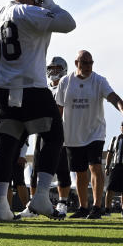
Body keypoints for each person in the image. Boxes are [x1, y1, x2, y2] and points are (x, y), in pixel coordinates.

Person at [0, 0, 76, 221]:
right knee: (55, 134)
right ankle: (41, 196)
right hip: (30, 85)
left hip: (2, 88)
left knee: (6, 143)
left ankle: (2, 206)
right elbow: (68, 22)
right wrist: (48, 1)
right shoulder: (30, 11)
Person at [55, 50, 123, 219]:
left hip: (95, 132)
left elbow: (113, 97)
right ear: (76, 62)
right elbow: (59, 109)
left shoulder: (99, 81)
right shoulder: (65, 82)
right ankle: (83, 207)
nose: (88, 66)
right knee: (80, 172)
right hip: (72, 135)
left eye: (91, 63)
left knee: (95, 167)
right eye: (85, 63)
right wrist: (55, 130)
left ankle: (97, 206)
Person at [30, 57, 73, 216]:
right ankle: (33, 203)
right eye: (51, 68)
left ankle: (62, 202)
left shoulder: (67, 88)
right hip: (41, 130)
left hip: (60, 131)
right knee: (36, 168)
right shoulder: (44, 88)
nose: (54, 71)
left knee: (61, 168)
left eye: (57, 68)